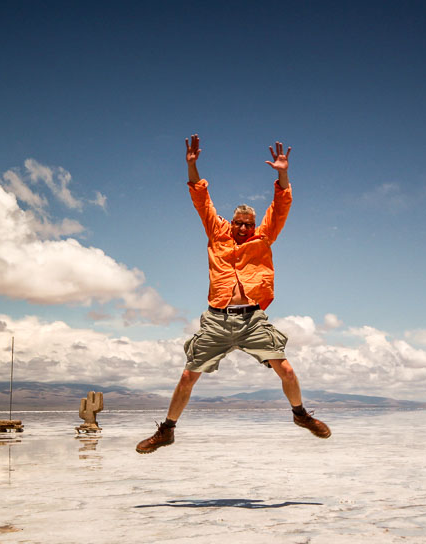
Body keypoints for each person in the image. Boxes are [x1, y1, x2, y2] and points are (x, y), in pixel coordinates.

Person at [136, 134, 331, 453]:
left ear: (255, 226)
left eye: (248, 225)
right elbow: (201, 199)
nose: (243, 229)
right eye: (239, 224)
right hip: (217, 320)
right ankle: (167, 430)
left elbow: (281, 205)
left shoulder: (263, 238)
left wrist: (282, 174)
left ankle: (301, 415)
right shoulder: (217, 234)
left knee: (287, 369)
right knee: (188, 376)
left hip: (253, 320)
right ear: (232, 223)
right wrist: (192, 166)